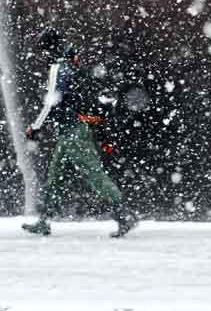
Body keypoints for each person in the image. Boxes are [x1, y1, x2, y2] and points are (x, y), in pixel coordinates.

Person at [22, 28, 137, 238]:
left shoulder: (58, 68)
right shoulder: (70, 66)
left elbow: (51, 101)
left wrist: (35, 127)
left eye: (42, 50)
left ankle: (124, 215)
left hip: (73, 131)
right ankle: (44, 221)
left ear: (48, 49)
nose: (41, 55)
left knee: (94, 173)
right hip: (69, 131)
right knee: (55, 178)